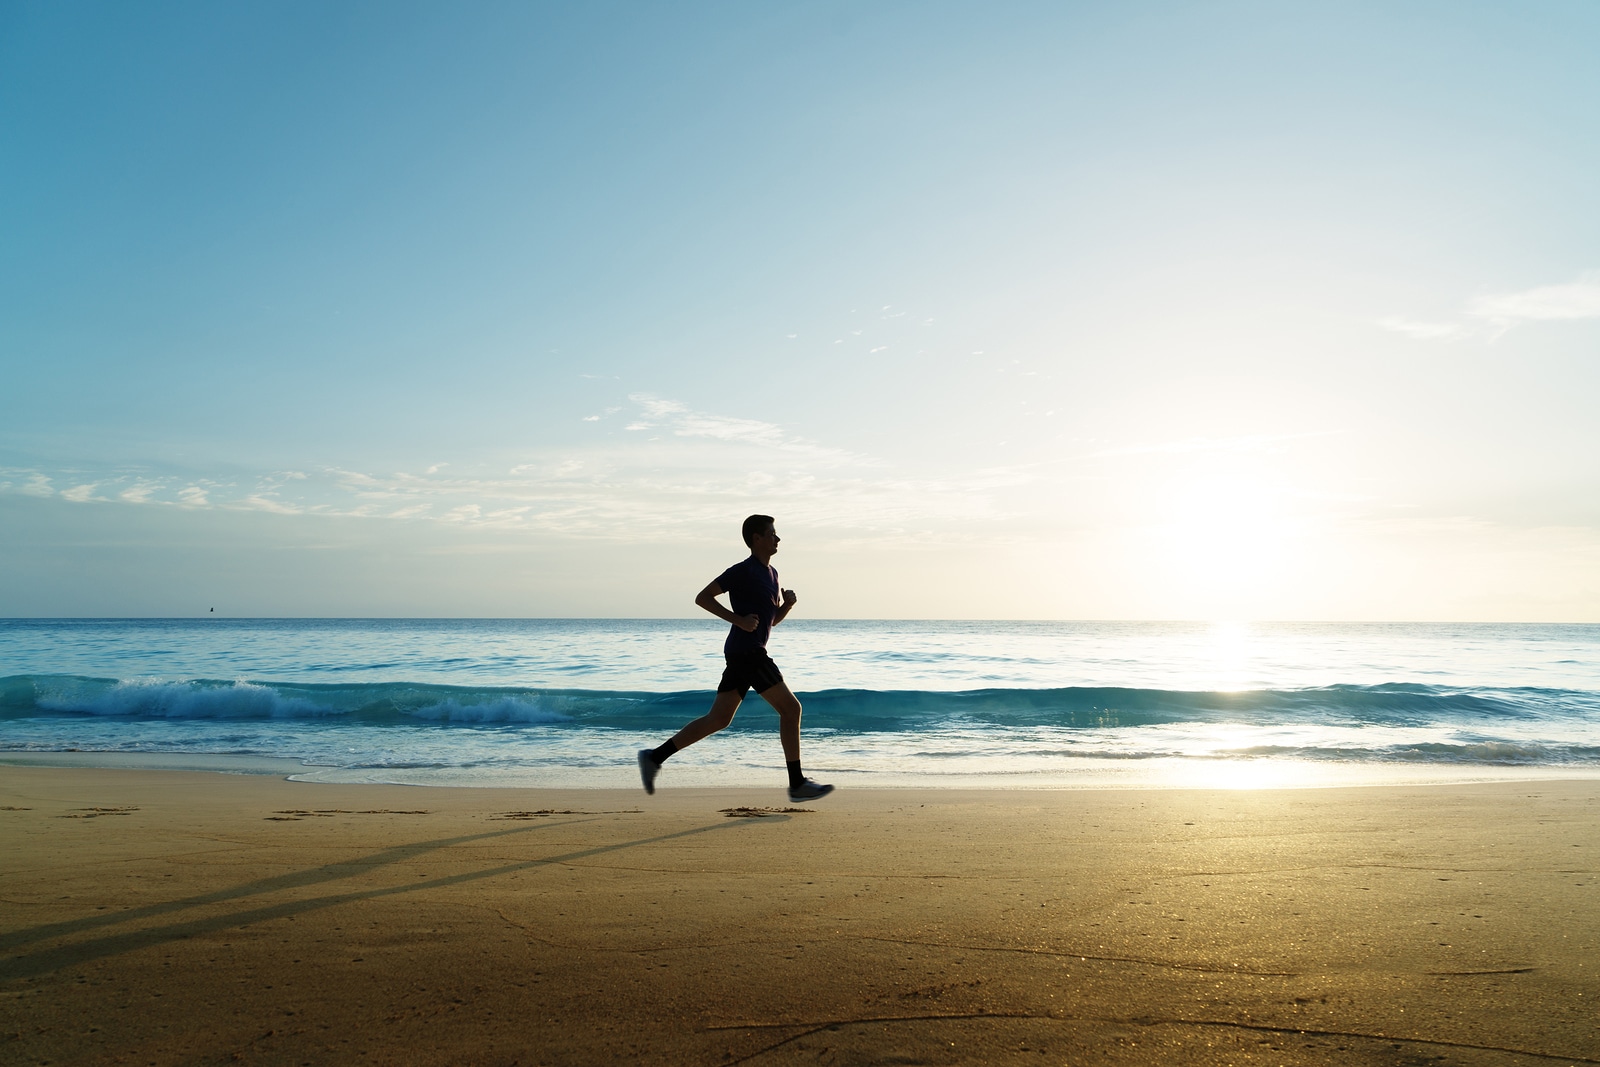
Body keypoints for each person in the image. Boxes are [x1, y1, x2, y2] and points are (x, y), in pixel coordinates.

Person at [638, 515, 834, 801]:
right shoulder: (742, 571)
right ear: (756, 539)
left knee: (718, 718)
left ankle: (655, 757)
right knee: (791, 710)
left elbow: (771, 621)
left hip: (744, 651)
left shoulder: (773, 574)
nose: (777, 539)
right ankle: (797, 783)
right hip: (748, 651)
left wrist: (788, 606)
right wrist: (737, 620)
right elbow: (703, 597)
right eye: (771, 534)